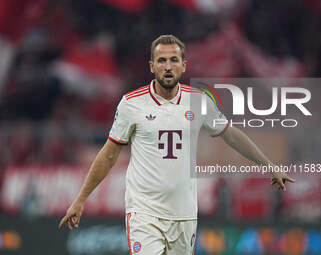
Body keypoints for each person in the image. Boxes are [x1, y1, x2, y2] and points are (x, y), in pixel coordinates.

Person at [58, 35, 294, 254]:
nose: (168, 66)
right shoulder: (131, 104)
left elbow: (231, 135)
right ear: (152, 66)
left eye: (173, 60)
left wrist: (269, 165)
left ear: (184, 65)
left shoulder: (198, 101)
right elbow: (109, 154)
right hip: (144, 213)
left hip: (184, 215)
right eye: (161, 60)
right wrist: (80, 199)